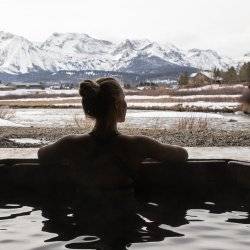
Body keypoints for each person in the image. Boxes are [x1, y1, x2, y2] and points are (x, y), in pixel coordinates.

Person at [38, 77, 188, 189]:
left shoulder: (70, 144)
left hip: (83, 224)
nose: (126, 105)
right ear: (117, 104)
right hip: (125, 226)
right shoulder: (138, 145)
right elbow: (182, 155)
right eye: (124, 99)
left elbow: (42, 155)